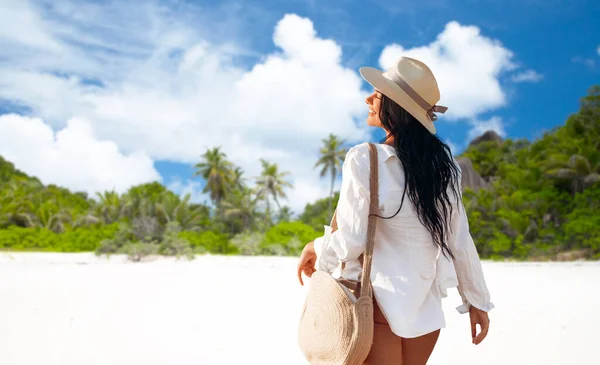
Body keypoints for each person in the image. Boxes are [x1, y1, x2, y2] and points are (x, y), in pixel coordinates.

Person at [296, 57, 494, 365]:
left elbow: (351, 241)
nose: (368, 99)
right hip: (425, 312)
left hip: (375, 306)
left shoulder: (365, 158)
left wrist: (316, 247)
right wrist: (476, 301)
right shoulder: (445, 170)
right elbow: (459, 241)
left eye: (376, 94)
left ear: (395, 107)